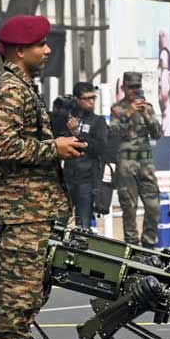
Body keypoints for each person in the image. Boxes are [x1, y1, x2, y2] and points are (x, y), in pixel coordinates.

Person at [0, 15, 87, 339]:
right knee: (19, 288)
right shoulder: (11, 90)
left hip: (33, 205)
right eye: (40, 45)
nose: (47, 50)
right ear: (20, 50)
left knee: (29, 288)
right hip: (21, 208)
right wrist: (54, 148)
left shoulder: (25, 87)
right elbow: (1, 145)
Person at [111, 71, 162, 247]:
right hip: (126, 164)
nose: (135, 90)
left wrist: (147, 115)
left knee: (153, 206)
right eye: (131, 87)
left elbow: (157, 134)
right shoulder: (117, 109)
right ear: (123, 88)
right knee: (129, 208)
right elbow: (113, 134)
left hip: (146, 163)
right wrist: (129, 113)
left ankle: (149, 245)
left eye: (137, 87)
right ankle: (132, 246)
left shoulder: (147, 107)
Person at [56, 82, 108, 229]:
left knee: (83, 226)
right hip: (67, 178)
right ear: (77, 99)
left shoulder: (98, 121)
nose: (91, 102)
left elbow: (100, 148)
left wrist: (79, 134)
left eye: (93, 98)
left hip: (86, 179)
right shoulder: (66, 119)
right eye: (86, 98)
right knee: (59, 223)